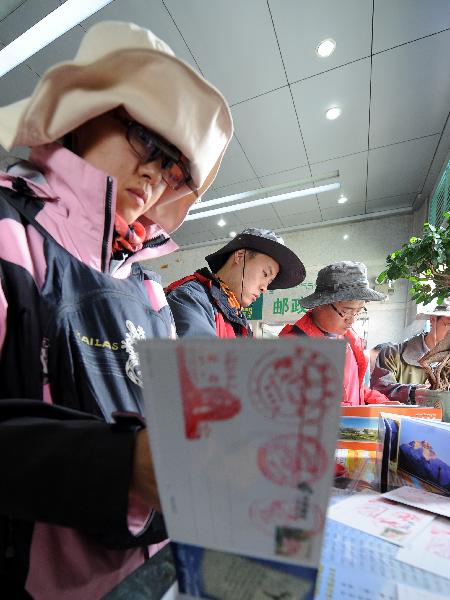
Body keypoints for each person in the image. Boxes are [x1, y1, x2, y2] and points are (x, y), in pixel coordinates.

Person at [0, 21, 233, 599]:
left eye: (175, 168)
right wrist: (124, 466)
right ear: (85, 114)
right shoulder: (12, 235)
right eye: (145, 140)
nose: (157, 176)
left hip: (155, 568)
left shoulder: (148, 285)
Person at [279, 261, 396, 406]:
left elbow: (356, 389)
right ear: (320, 304)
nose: (352, 321)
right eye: (346, 312)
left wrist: (382, 402)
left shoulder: (350, 341)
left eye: (358, 312)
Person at [165, 228, 306, 338]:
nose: (264, 288)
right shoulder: (191, 299)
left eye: (269, 282)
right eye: (265, 274)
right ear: (240, 256)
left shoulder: (238, 318)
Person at [371, 301, 450, 403]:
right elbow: (379, 390)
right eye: (448, 324)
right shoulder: (392, 354)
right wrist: (414, 392)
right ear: (433, 320)